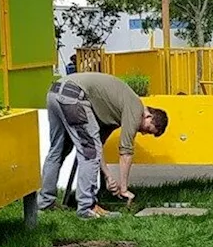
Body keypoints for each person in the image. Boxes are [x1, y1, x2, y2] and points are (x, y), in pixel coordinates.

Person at [37, 72, 168, 219]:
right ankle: (87, 207)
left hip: (55, 92)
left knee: (58, 151)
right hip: (74, 97)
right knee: (88, 153)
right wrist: (124, 189)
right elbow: (125, 152)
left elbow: (98, 146)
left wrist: (108, 177)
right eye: (147, 129)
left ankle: (45, 203)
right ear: (148, 116)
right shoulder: (136, 108)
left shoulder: (114, 112)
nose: (143, 133)